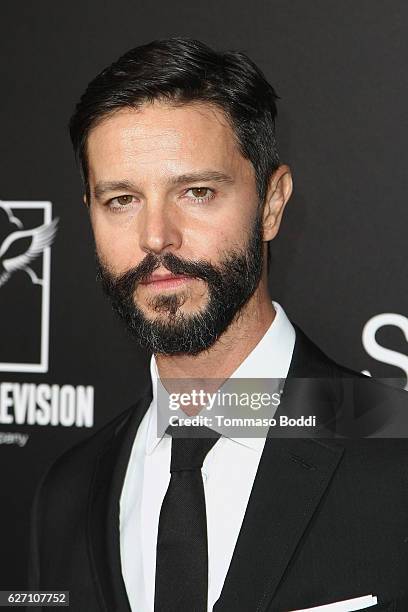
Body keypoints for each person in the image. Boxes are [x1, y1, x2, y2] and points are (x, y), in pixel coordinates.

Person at [27, 38, 408, 612]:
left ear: (272, 204)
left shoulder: (395, 449)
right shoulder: (67, 492)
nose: (156, 237)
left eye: (197, 192)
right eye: (122, 200)